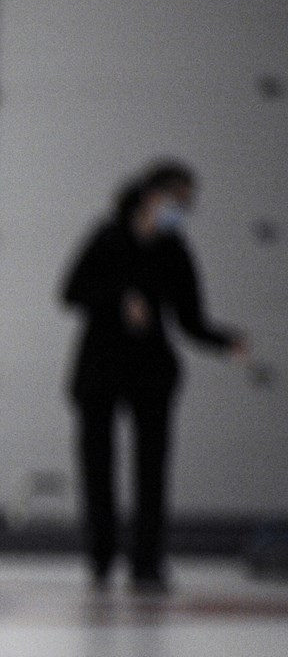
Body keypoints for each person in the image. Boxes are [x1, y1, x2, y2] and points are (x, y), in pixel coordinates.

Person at [61, 160, 246, 593]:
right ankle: (102, 555)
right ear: (151, 196)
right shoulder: (108, 237)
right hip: (99, 367)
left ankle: (147, 561)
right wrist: (119, 301)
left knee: (152, 469)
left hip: (151, 370)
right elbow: (71, 291)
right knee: (98, 466)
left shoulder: (175, 250)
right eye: (176, 200)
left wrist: (226, 342)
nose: (181, 209)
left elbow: (190, 317)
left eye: (186, 203)